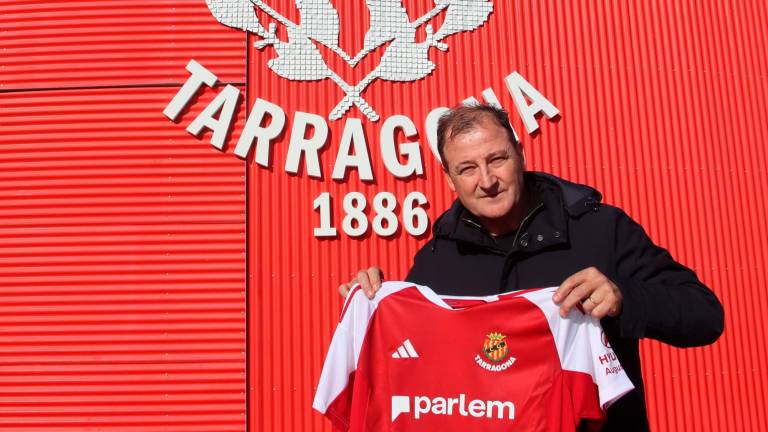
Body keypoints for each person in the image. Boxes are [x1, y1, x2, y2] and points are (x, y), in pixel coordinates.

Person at [337, 103, 724, 431]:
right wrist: (378, 307)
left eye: (497, 159)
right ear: (449, 177)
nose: (487, 180)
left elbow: (705, 316)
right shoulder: (436, 261)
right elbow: (416, 368)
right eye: (467, 168)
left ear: (519, 153)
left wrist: (624, 298)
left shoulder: (600, 229)